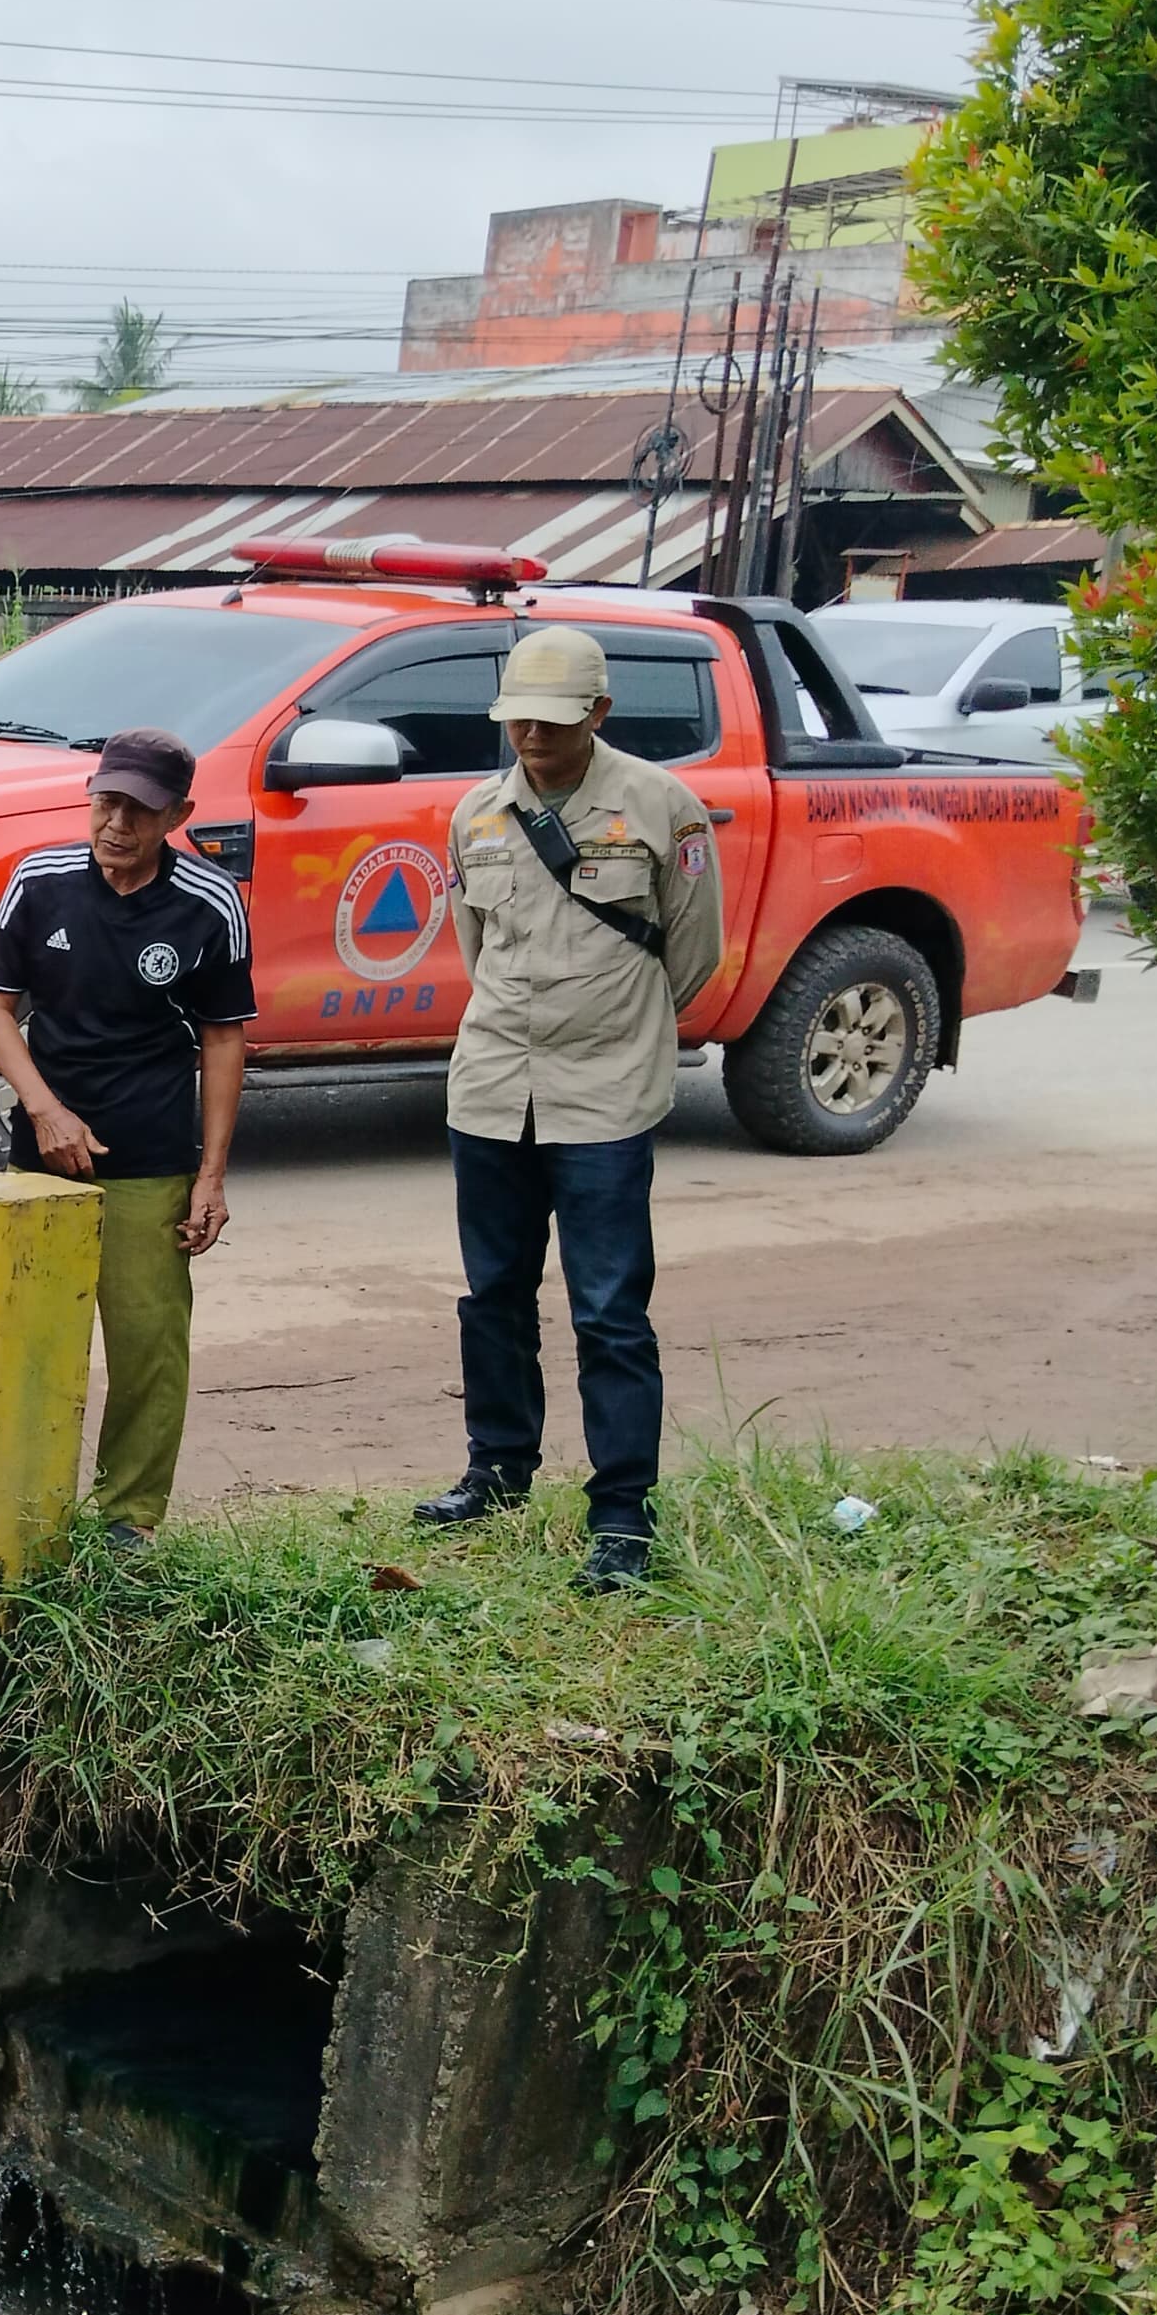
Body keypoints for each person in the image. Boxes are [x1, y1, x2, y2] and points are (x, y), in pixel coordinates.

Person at [414, 621, 728, 1591]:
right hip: (493, 1085)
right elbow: (477, 947)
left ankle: (620, 1514)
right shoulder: (475, 814)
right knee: (491, 1294)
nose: (531, 737)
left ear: (598, 711)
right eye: (516, 719)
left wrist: (616, 1027)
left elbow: (692, 950)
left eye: (552, 721)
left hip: (602, 1096)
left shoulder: (661, 808)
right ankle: (496, 1468)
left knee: (607, 1310)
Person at [0, 728, 255, 1544]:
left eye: (140, 808)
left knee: (147, 1348)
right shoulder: (39, 881)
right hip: (42, 1155)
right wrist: (43, 1110)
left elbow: (224, 1037)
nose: (116, 822)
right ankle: (24, 1510)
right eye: (106, 800)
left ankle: (127, 1522)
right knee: (32, 1343)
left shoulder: (209, 901)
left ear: (180, 815)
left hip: (149, 1154)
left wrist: (211, 1174)